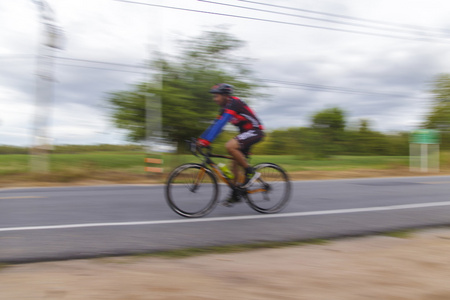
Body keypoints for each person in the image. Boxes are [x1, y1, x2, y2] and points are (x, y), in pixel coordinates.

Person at [197, 83, 265, 205]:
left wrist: (207, 141)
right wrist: (201, 139)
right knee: (234, 164)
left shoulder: (234, 103)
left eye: (216, 96)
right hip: (246, 132)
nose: (215, 99)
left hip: (255, 131)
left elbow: (221, 124)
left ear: (225, 95)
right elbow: (214, 125)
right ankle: (236, 194)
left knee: (230, 146)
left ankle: (251, 171)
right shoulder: (224, 109)